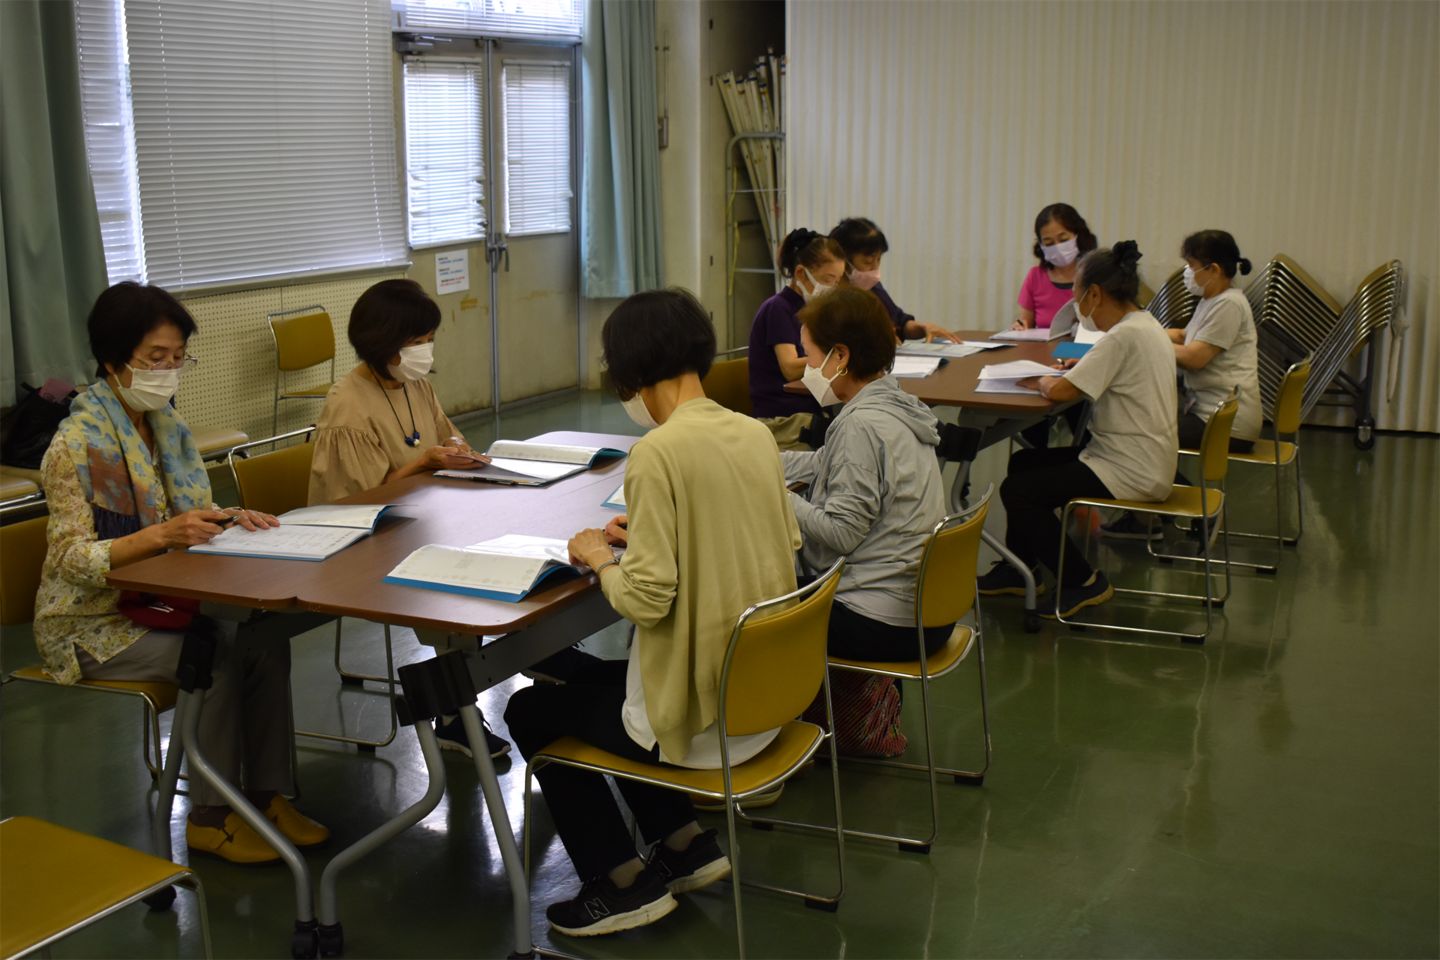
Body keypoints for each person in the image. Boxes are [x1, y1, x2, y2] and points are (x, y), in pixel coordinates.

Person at [504, 288, 802, 938]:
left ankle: (619, 883)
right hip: (762, 694)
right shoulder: (752, 432)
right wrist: (656, 535)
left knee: (529, 710)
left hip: (706, 721)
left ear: (630, 371)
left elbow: (644, 600)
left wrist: (599, 556)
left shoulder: (658, 452)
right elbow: (779, 540)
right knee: (592, 680)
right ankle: (684, 843)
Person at [34, 281, 328, 865]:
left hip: (163, 598)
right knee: (214, 657)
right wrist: (162, 536)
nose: (168, 371)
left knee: (263, 642)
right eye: (155, 359)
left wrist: (226, 517)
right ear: (113, 360)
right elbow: (71, 559)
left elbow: (182, 512)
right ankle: (211, 819)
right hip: (90, 622)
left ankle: (264, 798)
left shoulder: (165, 425)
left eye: (177, 358)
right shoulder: (75, 447)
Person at [307, 278, 508, 760]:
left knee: (495, 551)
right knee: (458, 581)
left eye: (429, 339)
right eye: (416, 341)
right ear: (383, 342)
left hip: (420, 522)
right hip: (366, 545)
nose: (425, 350)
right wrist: (423, 463)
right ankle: (453, 715)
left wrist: (455, 450)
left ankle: (538, 659)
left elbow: (445, 438)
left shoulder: (415, 384)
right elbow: (357, 506)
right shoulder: (348, 405)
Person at [977, 242, 1178, 618]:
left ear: (1095, 294)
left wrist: (1039, 379)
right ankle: (1019, 570)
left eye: (1076, 296)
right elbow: (1108, 366)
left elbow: (1060, 391)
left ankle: (1082, 581)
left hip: (1130, 468)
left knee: (1018, 491)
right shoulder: (1145, 324)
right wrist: (1077, 367)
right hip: (1141, 458)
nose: (1076, 306)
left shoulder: (1121, 337)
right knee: (1024, 464)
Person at [781, 287, 952, 662]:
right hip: (927, 612)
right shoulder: (896, 406)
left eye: (811, 356)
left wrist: (778, 496)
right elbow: (826, 462)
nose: (808, 368)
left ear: (841, 356)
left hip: (879, 622)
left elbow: (841, 533)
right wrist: (756, 460)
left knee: (751, 606)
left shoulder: (860, 426)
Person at [1102, 231, 1259, 540]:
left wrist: (1143, 342)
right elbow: (1184, 336)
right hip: (1210, 412)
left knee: (1141, 440)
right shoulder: (1213, 300)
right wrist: (1138, 330)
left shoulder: (1229, 305)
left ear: (1214, 269)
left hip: (1224, 422)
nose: (1187, 271)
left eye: (1191, 264)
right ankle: (1149, 518)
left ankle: (1195, 510)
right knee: (1142, 434)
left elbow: (1194, 357)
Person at [746, 228, 846, 451]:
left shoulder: (814, 310)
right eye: (828, 280)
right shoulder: (778, 309)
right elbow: (790, 368)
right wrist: (836, 357)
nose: (833, 288)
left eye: (838, 281)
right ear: (801, 273)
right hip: (782, 419)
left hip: (810, 413)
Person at [1012, 203, 1099, 448]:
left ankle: (1084, 457)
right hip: (1043, 358)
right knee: (1031, 408)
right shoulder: (1035, 276)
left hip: (1082, 358)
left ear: (1078, 235)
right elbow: (1026, 322)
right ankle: (1035, 461)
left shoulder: (1093, 275)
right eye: (1049, 243)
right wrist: (1019, 327)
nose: (1057, 247)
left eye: (1063, 239)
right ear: (1040, 245)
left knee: (1078, 407)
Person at [829, 217, 961, 343]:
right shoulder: (828, 296)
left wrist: (923, 327)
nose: (875, 267)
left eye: (878, 259)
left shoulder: (872, 287)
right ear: (843, 259)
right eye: (868, 261)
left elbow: (900, 323)